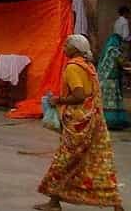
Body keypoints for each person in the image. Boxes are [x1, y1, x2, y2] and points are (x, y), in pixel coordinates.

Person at [34, 35, 124, 211]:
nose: (64, 47)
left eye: (67, 45)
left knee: (64, 161)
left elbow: (79, 95)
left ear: (75, 48)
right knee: (98, 162)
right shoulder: (88, 66)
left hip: (79, 123)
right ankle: (116, 205)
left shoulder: (73, 68)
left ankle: (54, 203)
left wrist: (57, 101)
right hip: (94, 120)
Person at [98, 30, 131, 130]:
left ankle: (104, 121)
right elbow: (122, 63)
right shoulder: (114, 51)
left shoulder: (107, 51)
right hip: (112, 81)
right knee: (112, 102)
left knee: (105, 102)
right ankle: (112, 122)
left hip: (105, 80)